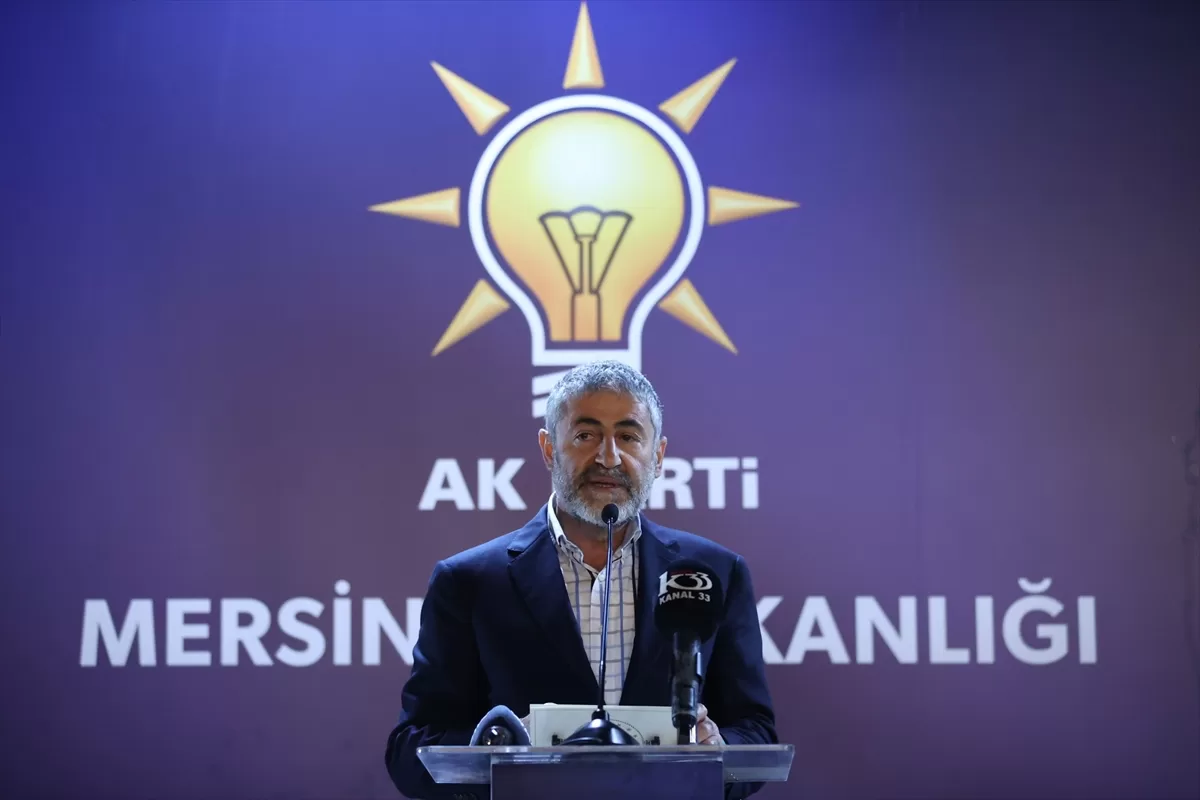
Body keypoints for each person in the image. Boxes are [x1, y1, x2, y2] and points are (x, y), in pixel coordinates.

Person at [384, 360, 777, 799]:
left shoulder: (714, 573)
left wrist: (716, 751)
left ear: (658, 456)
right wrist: (500, 749)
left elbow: (755, 730)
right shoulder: (469, 581)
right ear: (549, 448)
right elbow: (411, 748)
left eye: (629, 437)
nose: (609, 457)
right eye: (586, 435)